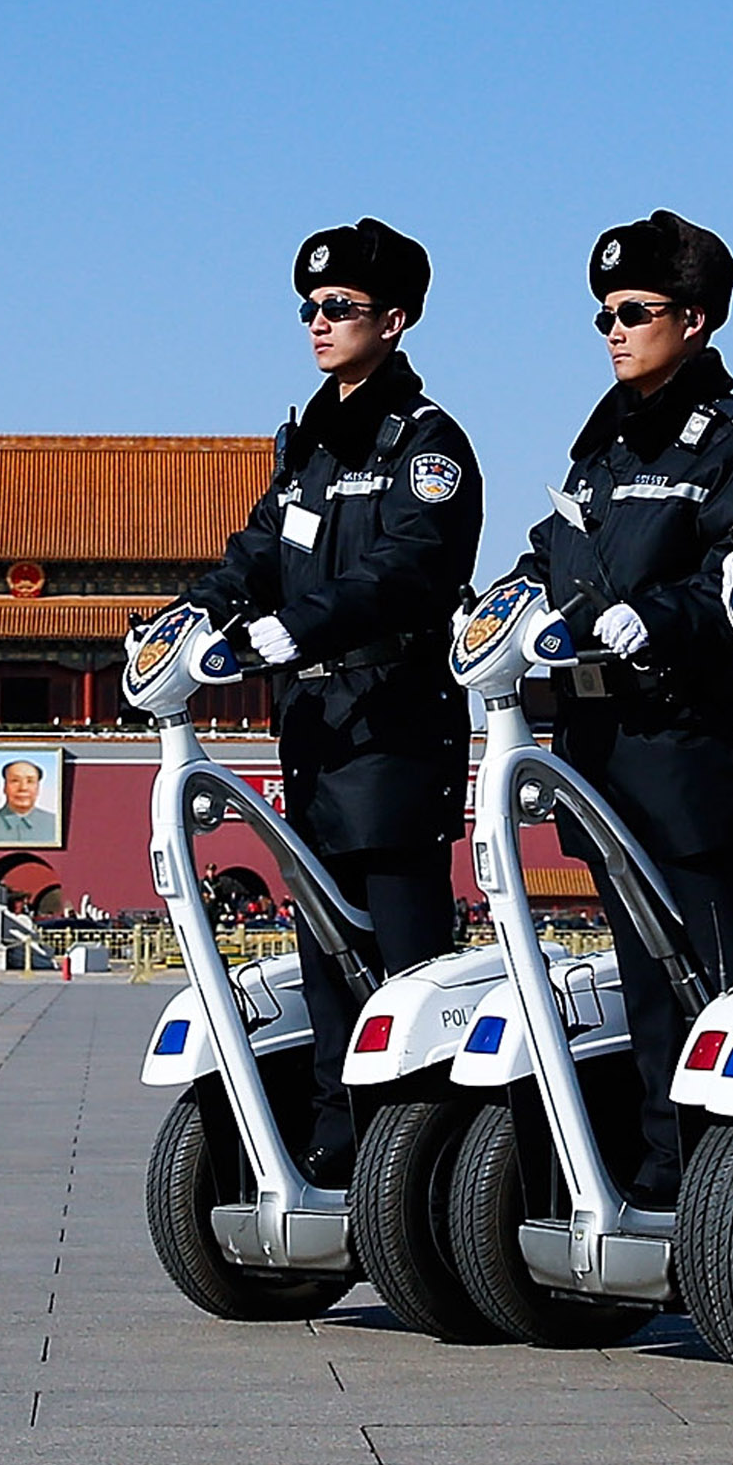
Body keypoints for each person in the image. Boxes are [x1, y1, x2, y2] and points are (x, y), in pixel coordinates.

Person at [183, 219, 483, 1188]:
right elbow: (257, 551)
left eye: (340, 309)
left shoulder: (425, 446)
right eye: (309, 308)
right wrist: (199, 615)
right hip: (314, 729)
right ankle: (338, 1138)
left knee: (402, 963)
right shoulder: (308, 447)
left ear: (393, 321)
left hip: (391, 727)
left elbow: (410, 571)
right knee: (321, 950)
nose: (318, 323)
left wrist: (293, 629)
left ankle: (416, 1160)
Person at [516, 210, 733, 1208]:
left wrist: (665, 616)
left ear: (698, 318)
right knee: (645, 984)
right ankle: (673, 1176)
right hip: (602, 748)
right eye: (602, 315)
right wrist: (502, 609)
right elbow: (548, 556)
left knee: (723, 978)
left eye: (633, 311)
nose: (614, 330)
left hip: (689, 746)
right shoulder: (599, 454)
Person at [0, 758, 57, 845]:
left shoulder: (55, 824)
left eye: (30, 781)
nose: (23, 788)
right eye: (15, 781)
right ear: (4, 787)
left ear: (38, 788)